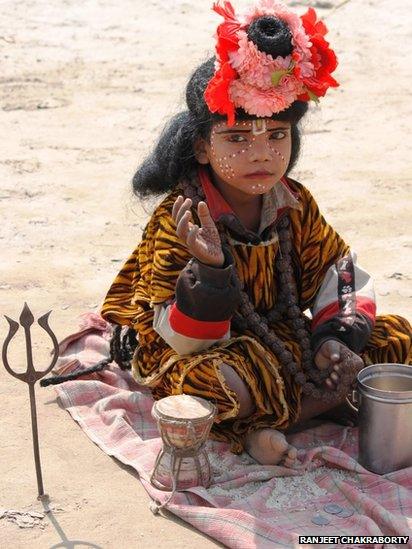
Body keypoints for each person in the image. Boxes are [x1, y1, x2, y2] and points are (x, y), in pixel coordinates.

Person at [100, 0, 411, 466]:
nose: (260, 154)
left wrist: (334, 342)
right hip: (199, 350)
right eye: (238, 138)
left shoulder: (295, 202)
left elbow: (339, 274)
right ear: (203, 147)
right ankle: (303, 410)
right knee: (218, 383)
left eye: (276, 137)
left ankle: (287, 416)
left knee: (396, 340)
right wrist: (210, 273)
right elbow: (178, 339)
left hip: (283, 337)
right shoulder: (179, 215)